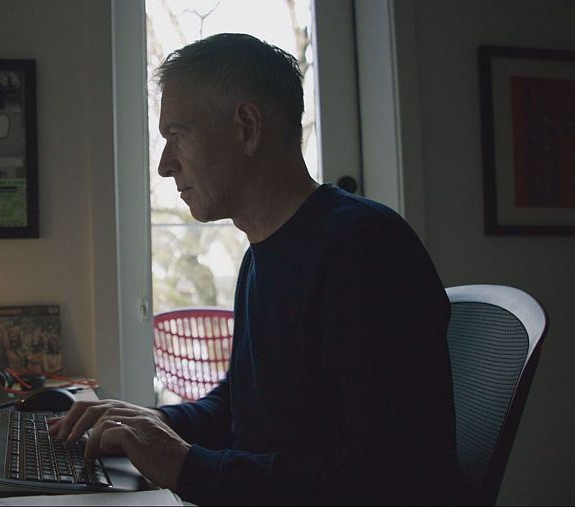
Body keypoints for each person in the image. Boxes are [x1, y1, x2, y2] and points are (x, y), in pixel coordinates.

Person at [49, 33, 458, 505]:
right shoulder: (261, 257)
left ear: (246, 127)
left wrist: (186, 466)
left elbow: (392, 476)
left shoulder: (364, 251)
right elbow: (239, 406)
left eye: (176, 136)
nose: (164, 166)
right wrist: (154, 422)